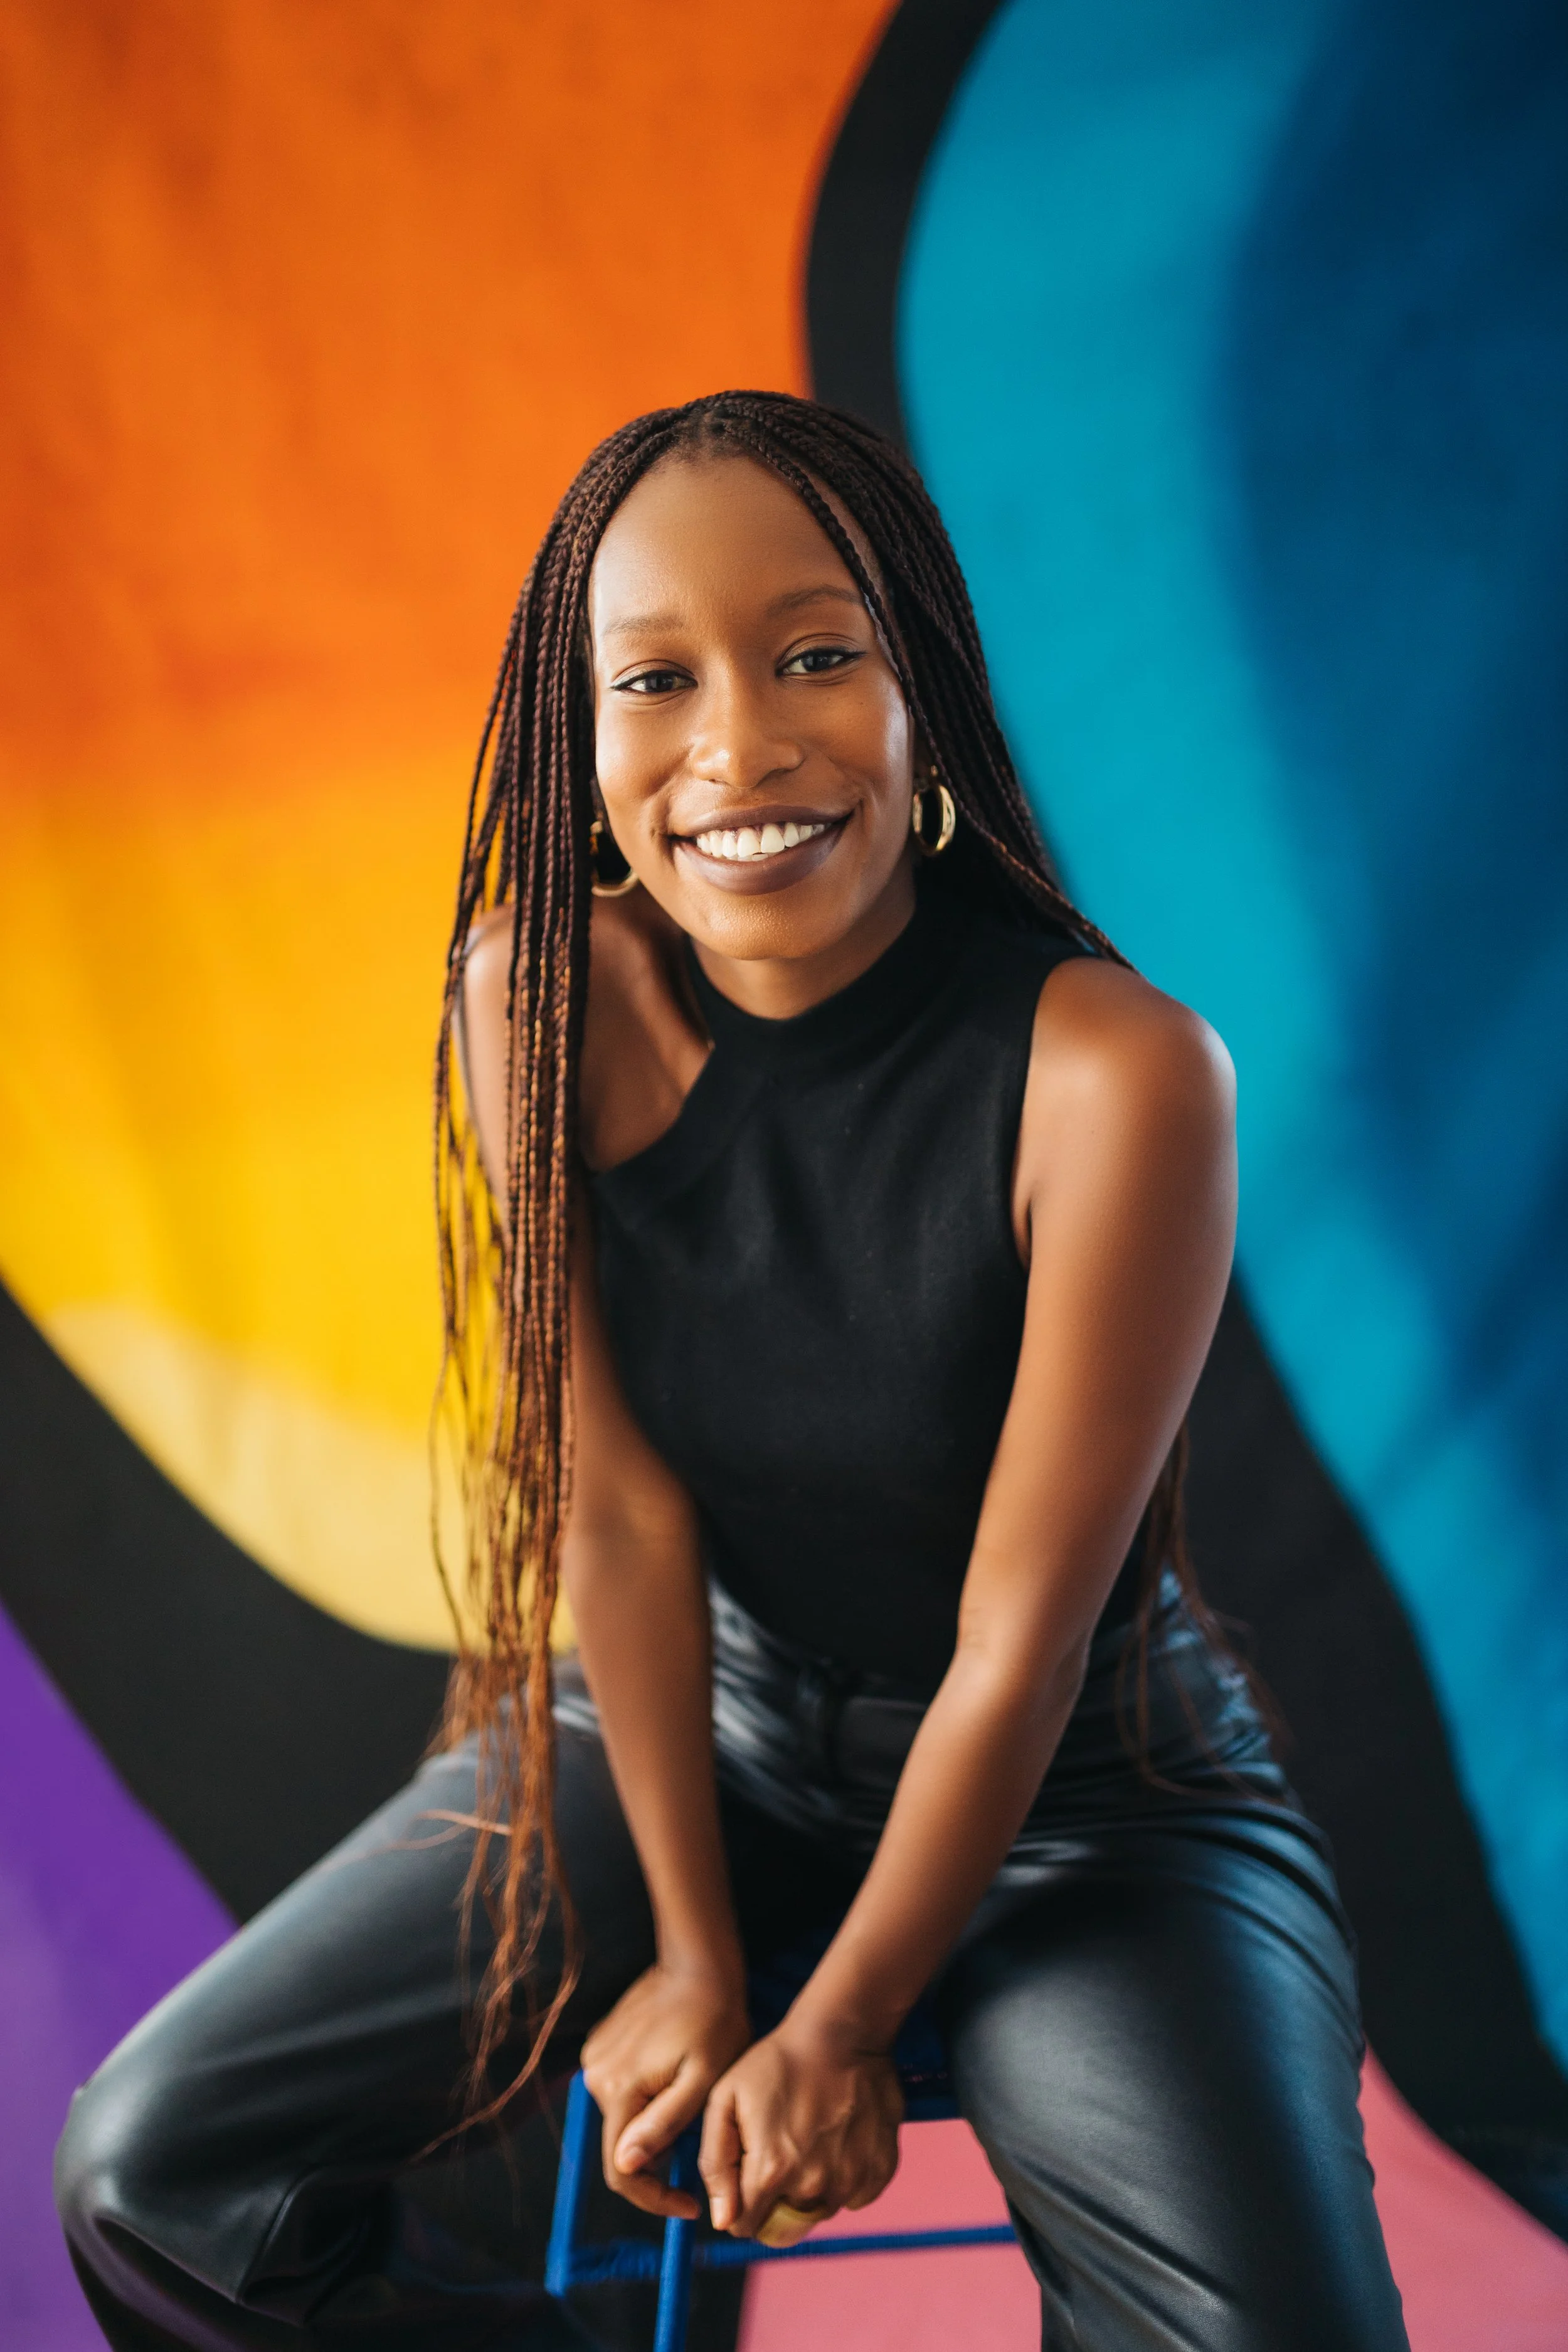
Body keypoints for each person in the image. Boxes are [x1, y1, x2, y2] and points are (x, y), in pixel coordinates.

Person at [56, 391, 1409, 2351]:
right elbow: (619, 1516)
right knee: (155, 2171)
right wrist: (698, 1955)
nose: (739, 747)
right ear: (584, 734)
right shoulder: (538, 1001)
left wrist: (839, 2020)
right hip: (699, 1733)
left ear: (920, 690)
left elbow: (1016, 1643)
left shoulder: (1115, 1074)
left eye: (814, 656)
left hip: (1087, 1794)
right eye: (656, 680)